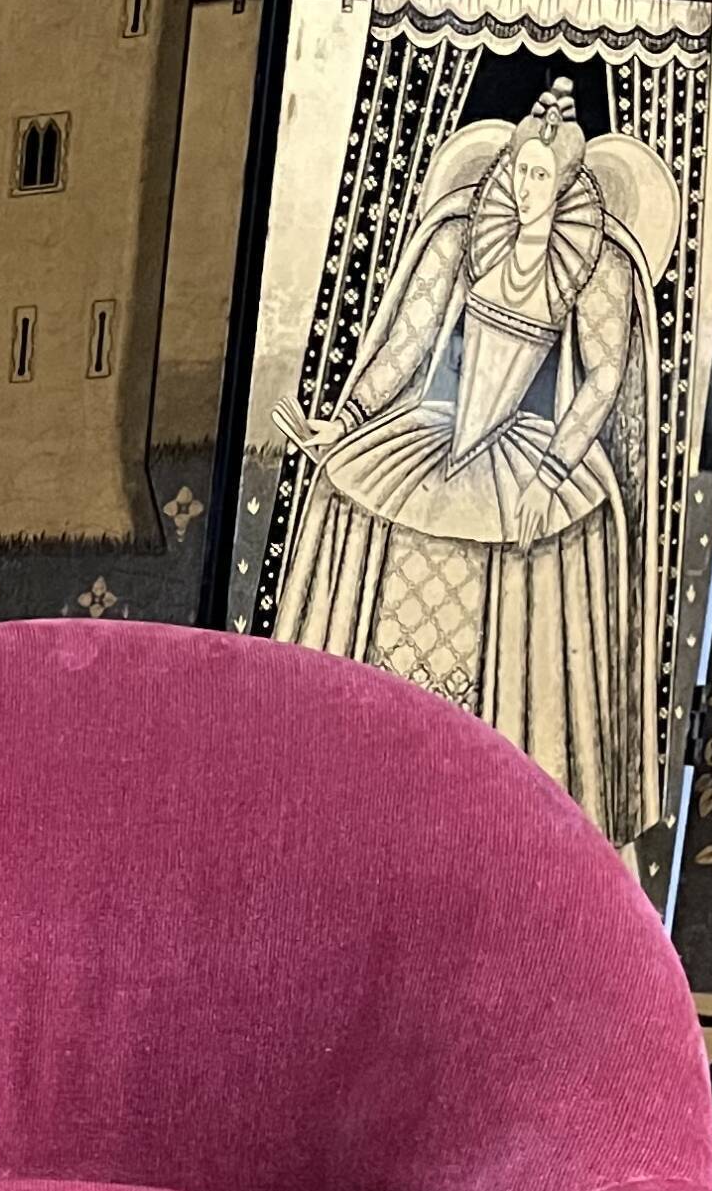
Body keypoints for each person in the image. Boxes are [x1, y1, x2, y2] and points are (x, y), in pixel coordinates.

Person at [272, 76, 682, 842]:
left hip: (533, 457)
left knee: (528, 559)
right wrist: (349, 420)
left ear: (567, 182)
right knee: (352, 499)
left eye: (540, 175)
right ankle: (363, 775)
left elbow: (603, 378)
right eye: (520, 169)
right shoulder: (467, 232)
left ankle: (493, 811)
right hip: (438, 434)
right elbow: (407, 342)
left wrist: (556, 470)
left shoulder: (597, 263)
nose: (526, 187)